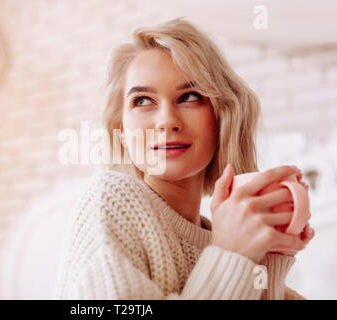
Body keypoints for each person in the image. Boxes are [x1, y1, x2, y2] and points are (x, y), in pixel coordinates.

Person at [53, 17, 314, 300]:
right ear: (123, 133)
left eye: (189, 96)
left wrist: (268, 255)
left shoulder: (226, 234)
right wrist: (232, 254)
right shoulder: (109, 198)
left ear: (221, 117)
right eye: (142, 100)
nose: (166, 121)